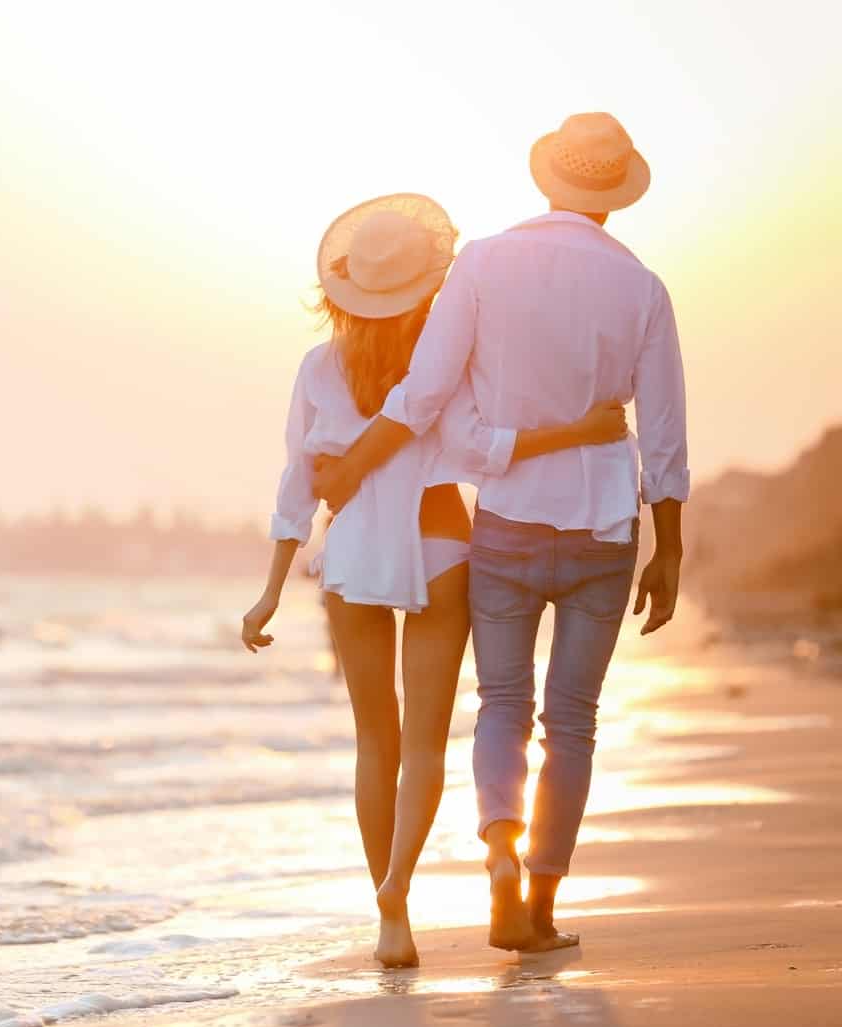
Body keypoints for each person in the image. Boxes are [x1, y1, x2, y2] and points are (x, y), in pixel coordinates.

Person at [313, 113, 690, 954]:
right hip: (603, 525)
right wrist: (671, 546)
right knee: (574, 719)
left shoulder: (482, 262)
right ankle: (542, 905)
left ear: (545, 179)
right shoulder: (644, 289)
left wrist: (348, 470)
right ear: (614, 196)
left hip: (509, 524)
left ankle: (498, 858)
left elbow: (422, 395)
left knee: (504, 705)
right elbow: (662, 430)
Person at [240, 193, 627, 967]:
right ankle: (398, 878)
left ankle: (394, 919)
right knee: (424, 745)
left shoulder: (319, 369)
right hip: (443, 543)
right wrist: (582, 430)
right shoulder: (450, 362)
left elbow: (297, 483)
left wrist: (272, 588)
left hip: (351, 558)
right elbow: (484, 448)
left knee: (373, 741)